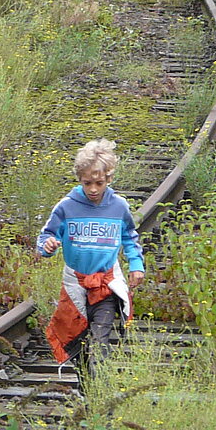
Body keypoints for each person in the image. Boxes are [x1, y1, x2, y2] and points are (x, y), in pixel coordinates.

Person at [37, 139, 145, 372]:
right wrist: (48, 246)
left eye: (99, 183)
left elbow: (129, 236)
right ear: (80, 180)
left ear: (109, 179)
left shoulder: (118, 206)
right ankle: (88, 389)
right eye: (87, 183)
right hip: (75, 285)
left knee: (100, 338)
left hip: (105, 285)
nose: (93, 189)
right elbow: (46, 236)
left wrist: (136, 265)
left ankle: (101, 385)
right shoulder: (66, 207)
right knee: (78, 340)